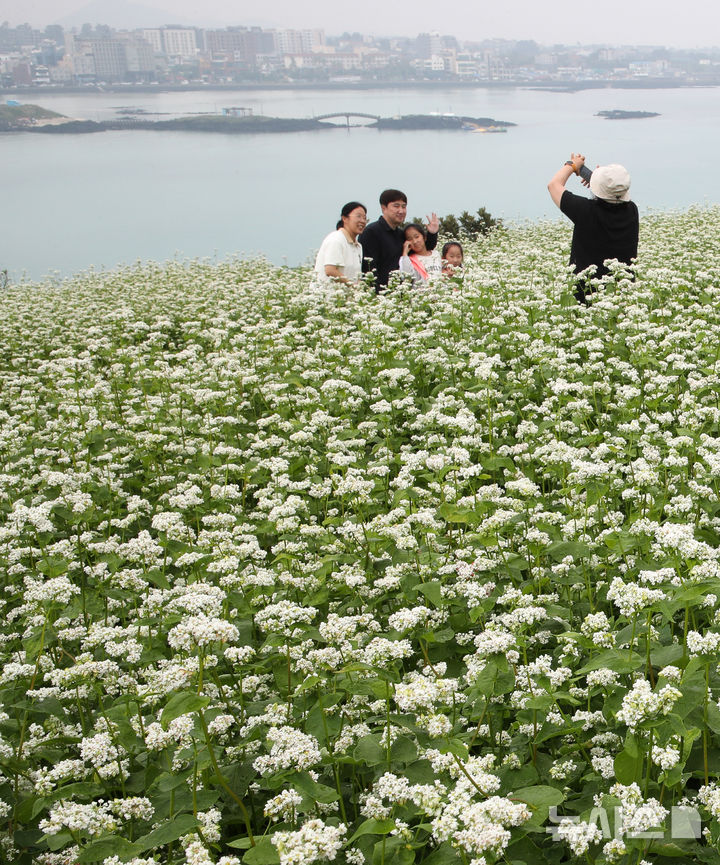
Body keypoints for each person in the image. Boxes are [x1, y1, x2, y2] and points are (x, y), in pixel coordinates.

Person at [547, 153, 638, 304]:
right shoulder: (632, 211)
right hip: (621, 295)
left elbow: (554, 185)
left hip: (586, 296)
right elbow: (614, 197)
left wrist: (572, 165)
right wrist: (598, 183)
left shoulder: (585, 211)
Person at [359, 189, 439, 290]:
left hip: (402, 295)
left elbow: (422, 250)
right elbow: (368, 269)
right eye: (396, 206)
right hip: (381, 296)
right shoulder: (371, 232)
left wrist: (432, 234)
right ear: (384, 208)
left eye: (404, 206)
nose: (401, 211)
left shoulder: (401, 234)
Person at [313, 201, 367, 285]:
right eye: (358, 216)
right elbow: (330, 270)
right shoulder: (336, 239)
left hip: (346, 296)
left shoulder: (358, 246)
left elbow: (356, 275)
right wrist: (352, 285)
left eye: (364, 218)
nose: (362, 221)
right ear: (344, 218)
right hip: (327, 295)